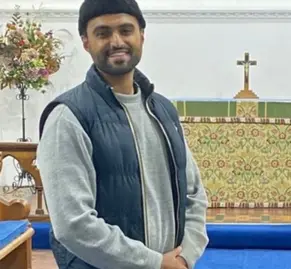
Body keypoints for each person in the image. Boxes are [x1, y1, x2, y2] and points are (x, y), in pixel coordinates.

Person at [36, 0, 209, 268]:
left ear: (142, 35)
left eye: (126, 30)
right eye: (103, 33)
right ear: (86, 42)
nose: (116, 41)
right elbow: (73, 223)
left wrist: (185, 256)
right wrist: (154, 263)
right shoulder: (68, 117)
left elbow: (194, 194)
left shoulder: (163, 110)